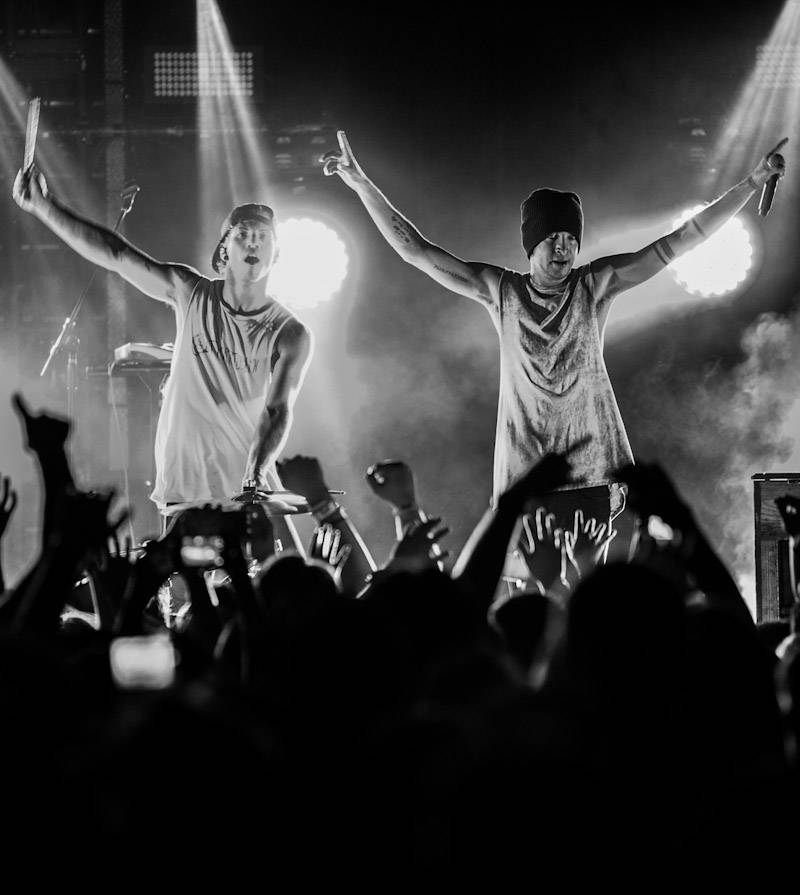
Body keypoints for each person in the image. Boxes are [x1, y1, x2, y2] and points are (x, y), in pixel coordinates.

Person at [323, 131, 788, 578]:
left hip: (590, 472)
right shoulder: (500, 291)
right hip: (527, 473)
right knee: (533, 589)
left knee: (585, 586)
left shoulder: (595, 284)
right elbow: (417, 251)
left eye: (571, 237)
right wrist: (362, 184)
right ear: (533, 242)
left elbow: (681, 241)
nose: (564, 247)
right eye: (553, 237)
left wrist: (751, 182)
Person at [12, 168, 313, 547]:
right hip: (185, 477)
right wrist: (44, 207)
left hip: (249, 483)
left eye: (263, 237)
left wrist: (254, 472)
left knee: (285, 577)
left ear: (276, 253)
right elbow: (117, 254)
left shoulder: (290, 332)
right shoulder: (190, 292)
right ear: (225, 249)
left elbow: (278, 410)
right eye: (243, 234)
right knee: (178, 577)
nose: (253, 242)